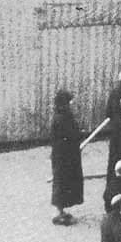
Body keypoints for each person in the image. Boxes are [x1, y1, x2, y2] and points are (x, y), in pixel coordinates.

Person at [50, 88, 85, 224]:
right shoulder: (62, 118)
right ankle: (59, 212)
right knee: (61, 183)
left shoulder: (63, 116)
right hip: (64, 156)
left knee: (64, 182)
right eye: (70, 102)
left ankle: (62, 210)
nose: (72, 104)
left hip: (66, 155)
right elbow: (67, 135)